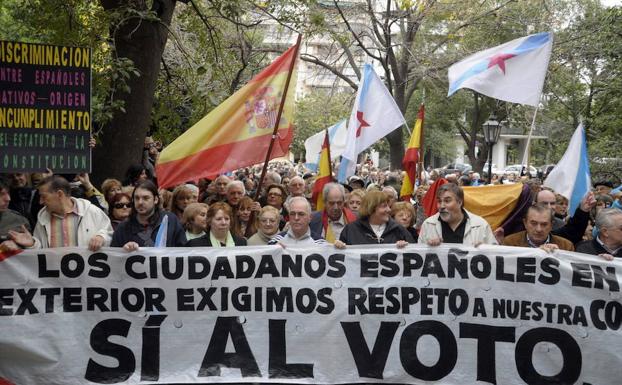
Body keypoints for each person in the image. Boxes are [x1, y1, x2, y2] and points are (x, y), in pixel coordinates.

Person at [6, 176, 113, 251]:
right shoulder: (43, 219)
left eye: (44, 197)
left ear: (59, 194)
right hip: (55, 281)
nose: (40, 202)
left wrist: (101, 237)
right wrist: (32, 244)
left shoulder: (91, 211)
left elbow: (110, 235)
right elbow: (40, 252)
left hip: (86, 280)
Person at [111, 180, 186, 250]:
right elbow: (113, 257)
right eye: (137, 198)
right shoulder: (123, 228)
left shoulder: (170, 220)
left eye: (145, 198)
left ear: (155, 200)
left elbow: (183, 251)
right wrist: (124, 251)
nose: (140, 202)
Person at [418, 183, 496, 246]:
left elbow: (496, 256)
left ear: (459, 202)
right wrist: (428, 248)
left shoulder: (480, 225)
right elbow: (419, 255)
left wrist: (485, 250)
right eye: (439, 201)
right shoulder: (428, 225)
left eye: (447, 201)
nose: (442, 206)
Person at [338, 190, 414, 247]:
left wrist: (405, 249)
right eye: (384, 206)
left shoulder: (399, 230)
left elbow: (414, 257)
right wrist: (338, 247)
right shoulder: (351, 230)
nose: (389, 210)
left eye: (388, 206)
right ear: (371, 208)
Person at [503, 204, 574, 252]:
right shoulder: (510, 243)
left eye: (544, 224)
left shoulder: (566, 246)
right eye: (533, 223)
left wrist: (558, 255)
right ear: (525, 223)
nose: (538, 229)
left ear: (551, 225)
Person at [0, 178, 30, 249]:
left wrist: (18, 247)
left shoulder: (19, 221)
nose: (8, 198)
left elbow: (32, 251)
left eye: (8, 193)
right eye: (1, 194)